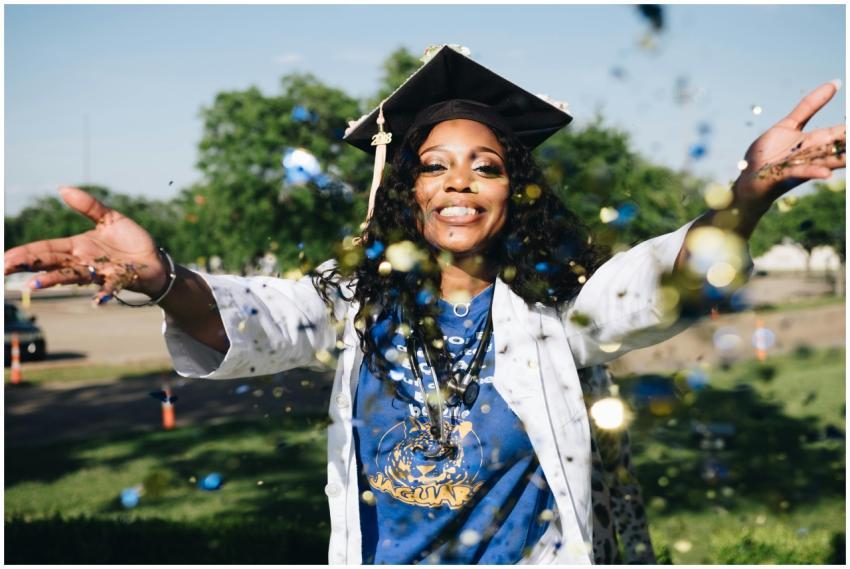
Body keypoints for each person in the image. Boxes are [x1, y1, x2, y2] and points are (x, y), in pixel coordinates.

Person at [4, 45, 844, 564]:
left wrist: (750, 193)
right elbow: (255, 315)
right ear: (406, 189)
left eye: (486, 165)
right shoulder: (353, 303)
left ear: (514, 189)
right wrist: (162, 278)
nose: (459, 182)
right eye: (435, 164)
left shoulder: (556, 313)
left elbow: (658, 281)